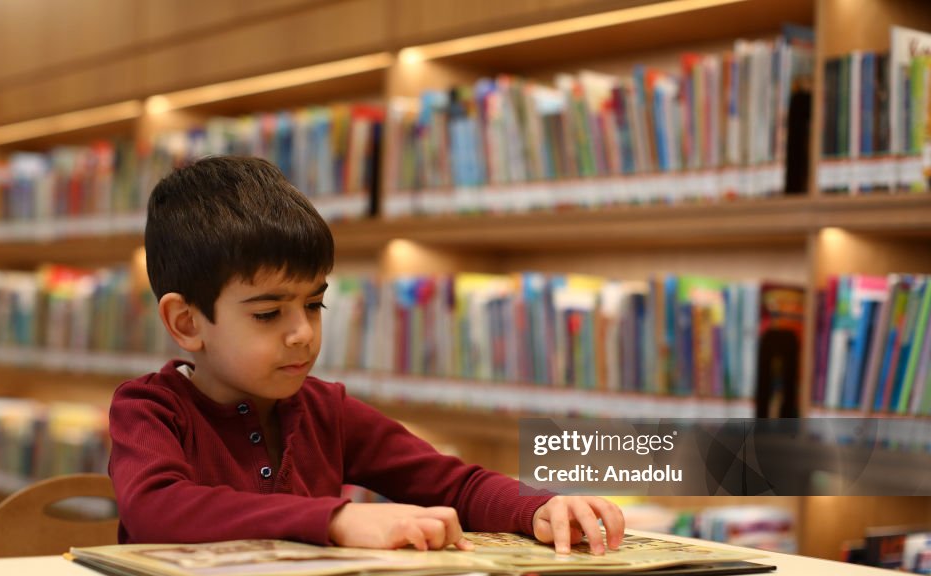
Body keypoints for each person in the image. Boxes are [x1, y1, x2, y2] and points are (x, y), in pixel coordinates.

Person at [108, 155, 624, 555]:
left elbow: (450, 483)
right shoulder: (148, 410)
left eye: (314, 304)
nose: (302, 333)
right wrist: (337, 519)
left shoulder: (325, 411)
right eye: (268, 314)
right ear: (186, 322)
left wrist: (536, 507)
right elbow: (156, 509)